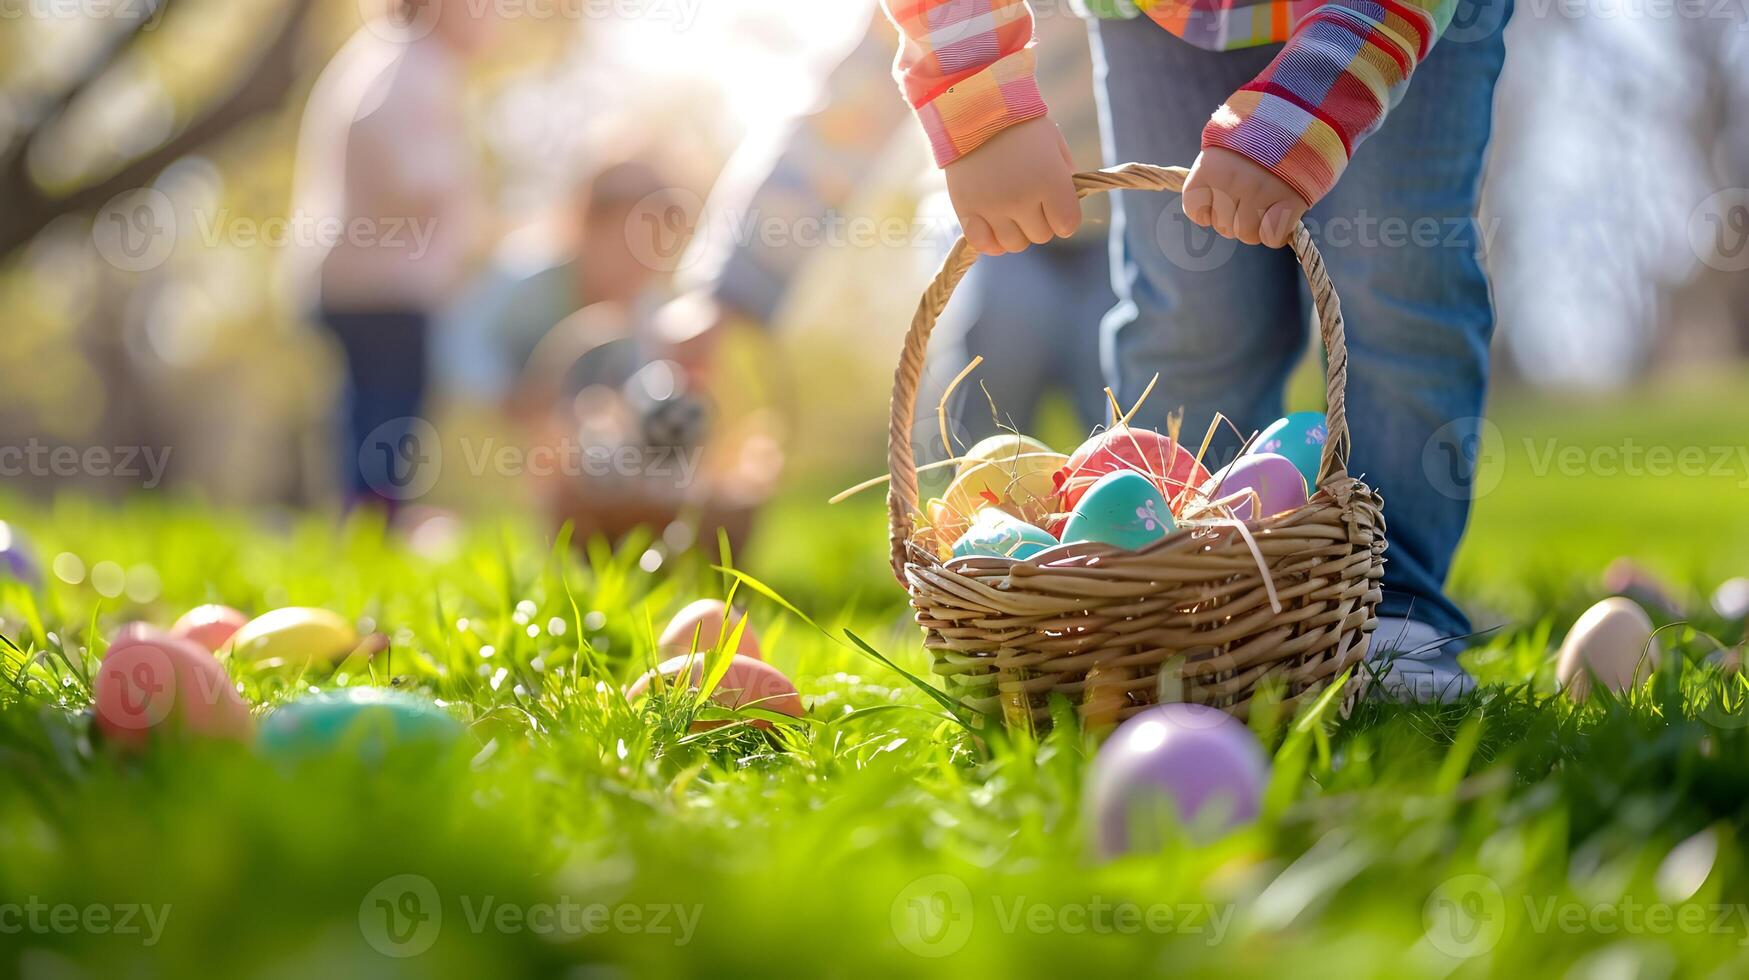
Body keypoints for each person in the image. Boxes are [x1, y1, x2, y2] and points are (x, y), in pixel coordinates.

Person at [877, 0, 1514, 701]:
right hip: (1160, 20)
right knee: (1189, 321)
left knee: (1397, 286)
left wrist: (1298, 118)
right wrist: (980, 102)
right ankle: (1192, 604)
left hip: (1390, 20)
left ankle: (1392, 604)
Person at [290, 0, 496, 509]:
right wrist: (461, 199)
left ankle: (366, 518)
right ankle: (373, 519)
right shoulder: (416, 67)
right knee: (388, 414)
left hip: (358, 274)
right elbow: (413, 173)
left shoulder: (383, 56)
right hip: (386, 282)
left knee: (370, 409)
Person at [435, 161, 677, 412]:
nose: (642, 265)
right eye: (631, 244)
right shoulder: (526, 276)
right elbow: (459, 342)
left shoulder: (646, 310)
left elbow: (641, 381)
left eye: (657, 249)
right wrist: (511, 398)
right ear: (588, 226)